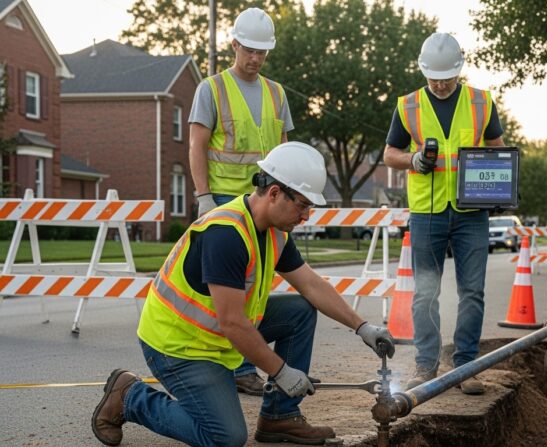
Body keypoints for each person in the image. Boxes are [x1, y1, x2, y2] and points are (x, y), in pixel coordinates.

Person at [92, 142, 396, 447]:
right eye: (302, 205)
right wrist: (281, 371)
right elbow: (233, 323)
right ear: (275, 193)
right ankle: (131, 397)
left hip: (215, 338)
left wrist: (362, 327)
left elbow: (311, 285)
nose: (305, 216)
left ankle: (280, 417)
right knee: (225, 437)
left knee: (300, 311)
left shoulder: (275, 231)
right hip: (179, 346)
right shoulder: (226, 234)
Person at [383, 32, 505, 395]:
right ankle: (426, 365)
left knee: (472, 292)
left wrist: (500, 185)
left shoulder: (482, 102)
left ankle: (466, 366)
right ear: (424, 71)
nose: (439, 84)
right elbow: (390, 154)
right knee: (424, 293)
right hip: (428, 210)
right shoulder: (408, 105)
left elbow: (498, 149)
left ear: (459, 70)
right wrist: (413, 160)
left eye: (446, 77)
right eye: (433, 77)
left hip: (471, 213)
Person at [188, 7, 295, 395]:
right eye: (249, 49)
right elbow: (197, 146)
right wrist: (202, 197)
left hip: (267, 203)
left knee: (260, 283)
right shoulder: (211, 89)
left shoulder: (276, 93)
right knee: (230, 287)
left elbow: (283, 150)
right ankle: (233, 365)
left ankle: (245, 364)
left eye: (262, 52)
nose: (255, 58)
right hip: (223, 202)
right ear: (233, 44)